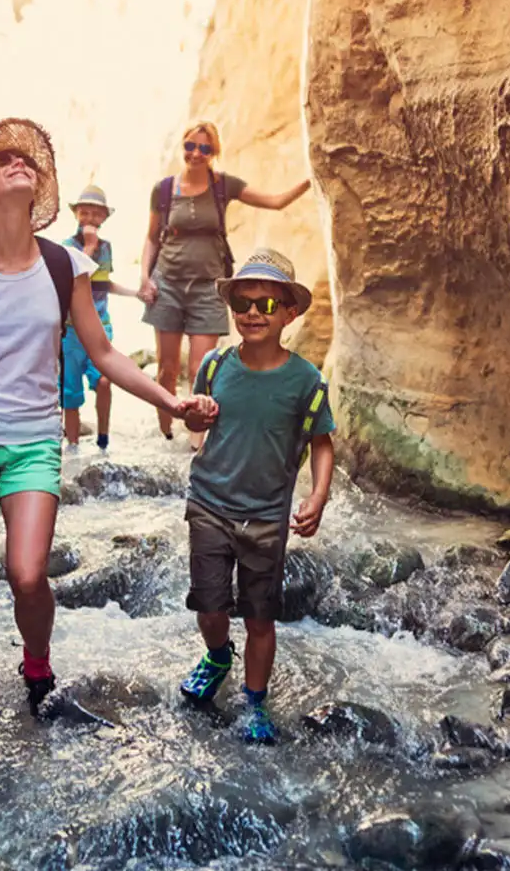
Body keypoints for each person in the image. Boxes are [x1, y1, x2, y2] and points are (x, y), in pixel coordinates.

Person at [0, 118, 216, 711]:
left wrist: (169, 400)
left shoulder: (65, 265)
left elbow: (102, 353)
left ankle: (36, 660)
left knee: (26, 574)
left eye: (24, 160)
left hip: (31, 441)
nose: (16, 163)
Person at [175, 248, 335, 744]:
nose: (251, 313)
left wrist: (318, 496)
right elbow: (195, 424)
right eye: (243, 302)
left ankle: (256, 702)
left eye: (266, 305)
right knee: (209, 605)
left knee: (261, 616)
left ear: (289, 313)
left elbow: (322, 443)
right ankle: (218, 654)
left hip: (266, 517)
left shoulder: (306, 381)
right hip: (208, 503)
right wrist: (194, 419)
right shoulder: (216, 363)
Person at [138, 121, 311, 449]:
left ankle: (195, 447)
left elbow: (275, 202)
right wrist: (145, 277)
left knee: (201, 370)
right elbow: (150, 239)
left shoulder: (223, 186)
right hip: (168, 285)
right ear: (183, 146)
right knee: (167, 371)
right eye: (190, 146)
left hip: (207, 287)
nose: (196, 153)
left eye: (205, 148)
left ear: (214, 153)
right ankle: (165, 437)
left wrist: (311, 177)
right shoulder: (163, 190)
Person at [59, 183, 135, 455]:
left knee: (104, 380)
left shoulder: (107, 248)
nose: (89, 219)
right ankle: (73, 446)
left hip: (101, 327)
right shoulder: (67, 248)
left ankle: (103, 440)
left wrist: (136, 294)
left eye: (95, 214)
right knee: (70, 393)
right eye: (84, 213)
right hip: (70, 331)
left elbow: (104, 284)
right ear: (76, 215)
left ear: (103, 218)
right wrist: (88, 247)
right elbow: (70, 280)